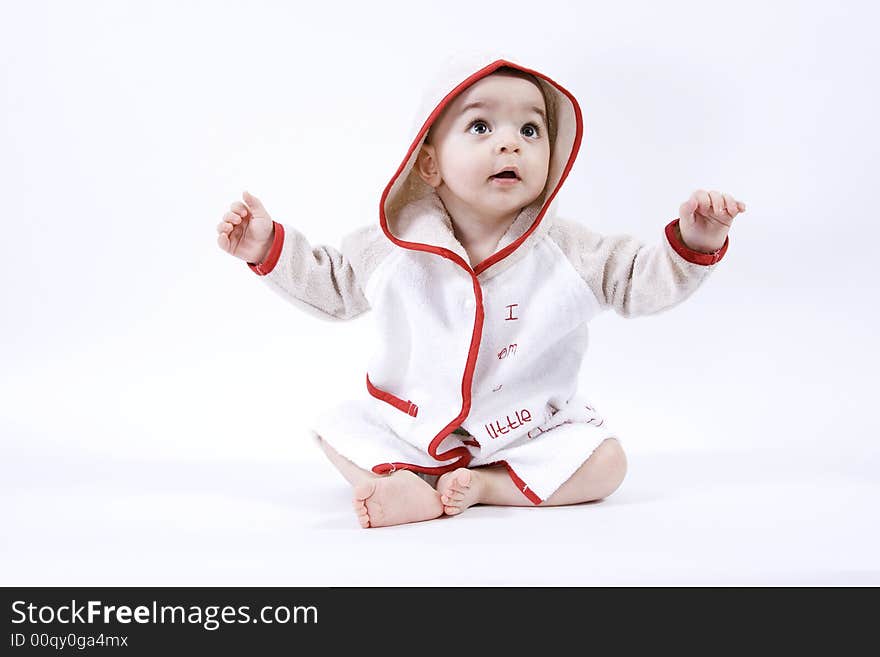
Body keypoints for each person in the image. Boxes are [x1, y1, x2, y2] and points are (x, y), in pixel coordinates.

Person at [215, 53, 746, 528]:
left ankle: (488, 487)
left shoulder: (567, 251)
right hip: (413, 428)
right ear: (429, 164)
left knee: (608, 465)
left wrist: (692, 243)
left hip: (532, 432)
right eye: (480, 125)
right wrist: (268, 249)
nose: (509, 141)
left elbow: (635, 280)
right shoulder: (396, 244)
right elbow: (332, 284)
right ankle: (412, 483)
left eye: (531, 130)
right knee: (339, 430)